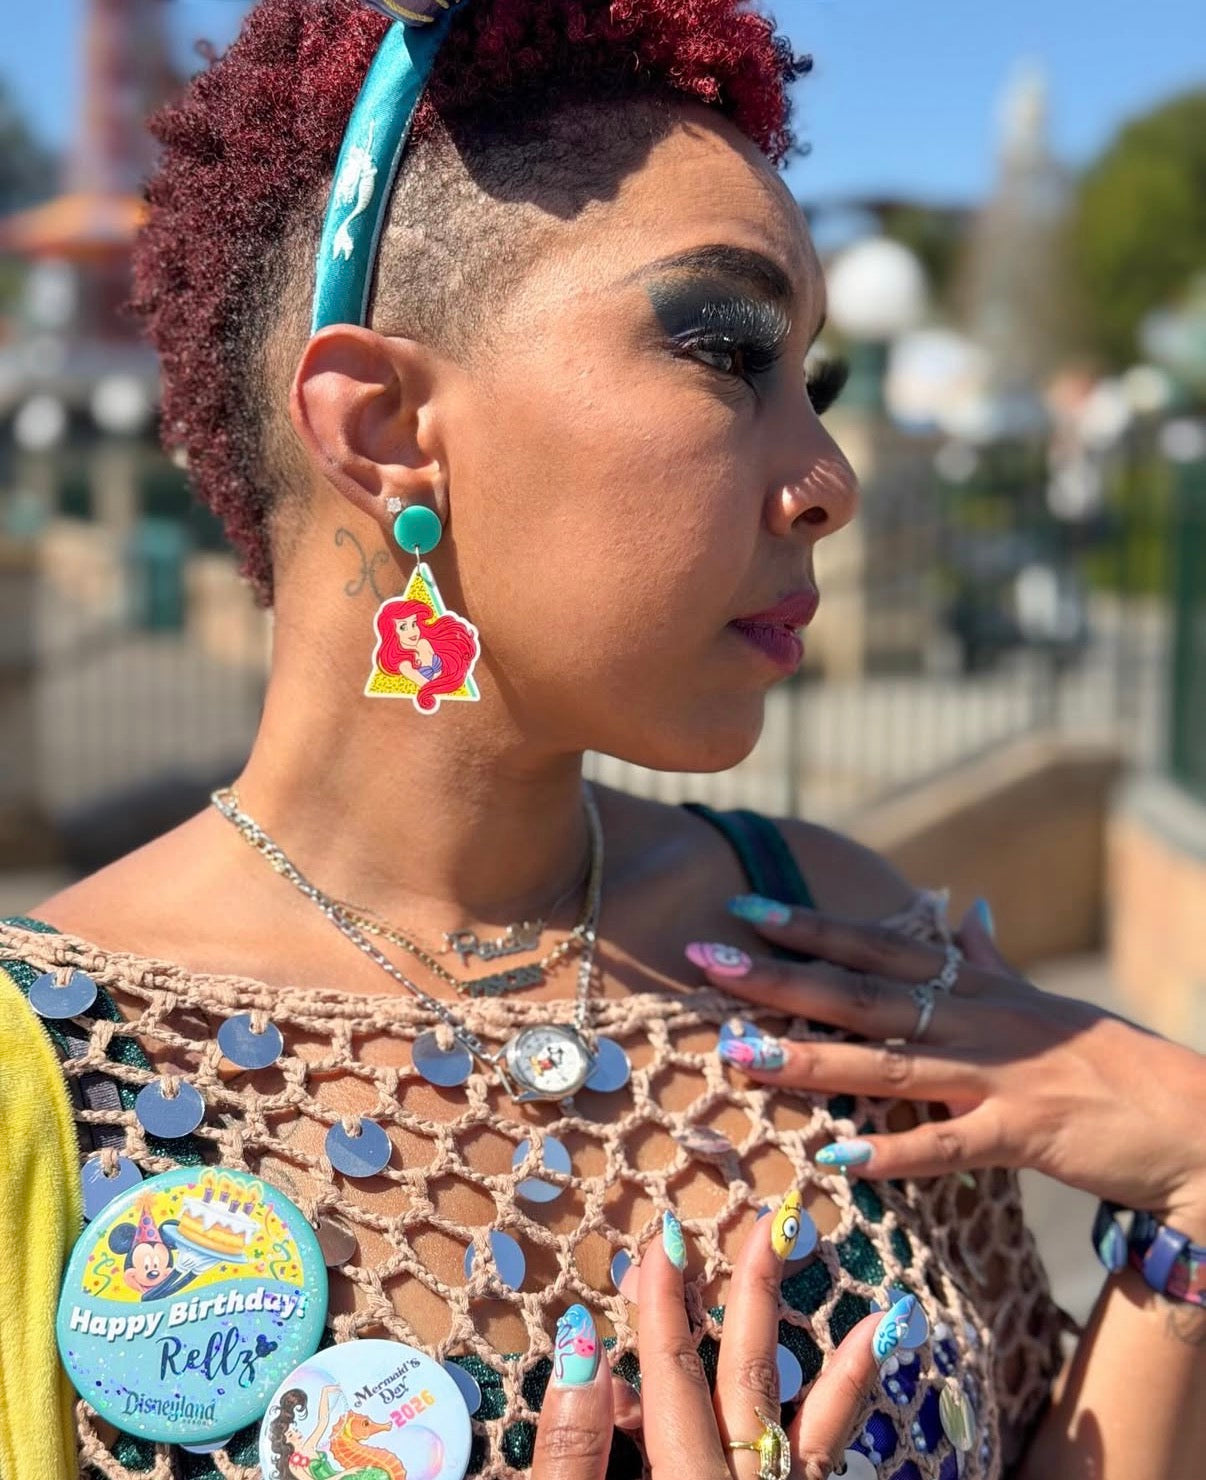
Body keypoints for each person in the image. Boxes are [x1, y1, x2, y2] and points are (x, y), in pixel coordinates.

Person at [0, 1, 1201, 1477]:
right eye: (728, 351)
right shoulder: (48, 1073)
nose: (827, 479)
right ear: (384, 428)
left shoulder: (839, 955)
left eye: (813, 382)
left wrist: (1193, 1197)